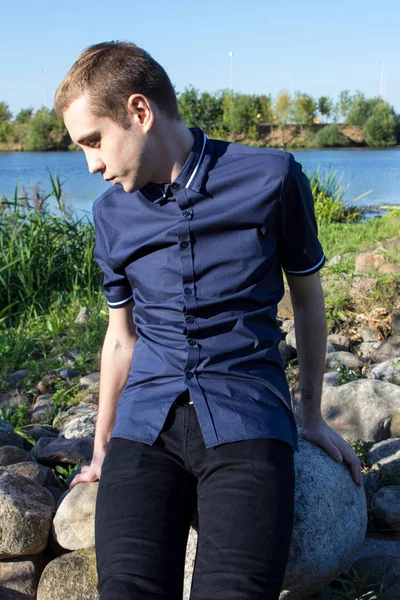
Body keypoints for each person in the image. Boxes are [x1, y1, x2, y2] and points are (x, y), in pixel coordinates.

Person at [55, 41, 363, 600]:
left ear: (139, 112)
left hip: (245, 412)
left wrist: (311, 415)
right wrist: (101, 447)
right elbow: (120, 338)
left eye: (94, 141)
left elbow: (309, 299)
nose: (91, 164)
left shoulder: (271, 177)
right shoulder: (110, 213)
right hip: (145, 423)